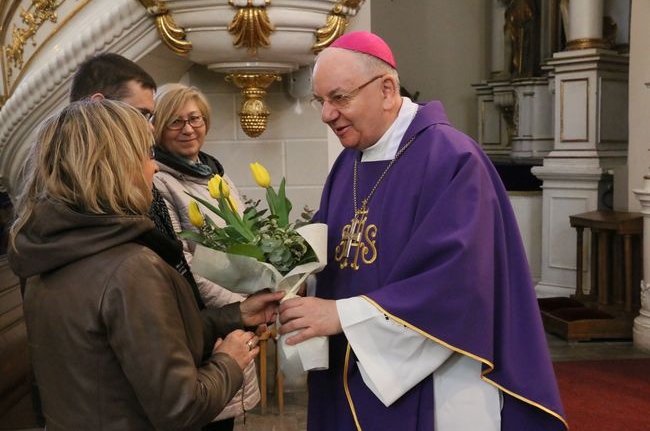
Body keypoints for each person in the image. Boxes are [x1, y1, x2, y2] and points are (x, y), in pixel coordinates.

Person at [278, 31, 568, 431]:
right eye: (320, 101)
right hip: (352, 368)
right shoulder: (349, 163)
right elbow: (334, 258)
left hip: (437, 379)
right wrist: (290, 288)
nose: (327, 114)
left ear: (385, 89)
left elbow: (458, 285)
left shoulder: (452, 158)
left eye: (339, 98)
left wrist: (342, 315)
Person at [7, 99, 281, 430]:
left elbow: (132, 347)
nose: (154, 167)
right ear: (116, 166)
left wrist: (236, 315)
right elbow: (181, 407)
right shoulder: (130, 267)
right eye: (147, 154)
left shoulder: (47, 249)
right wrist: (230, 361)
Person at [67, 53, 274, 430]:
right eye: (163, 120)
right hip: (185, 372)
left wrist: (244, 306)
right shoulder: (133, 231)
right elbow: (181, 281)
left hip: (205, 339)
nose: (154, 162)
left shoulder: (217, 176)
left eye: (194, 119)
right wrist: (235, 310)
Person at [152, 83, 260, 427]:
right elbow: (184, 263)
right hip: (205, 317)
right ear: (157, 127)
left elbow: (247, 242)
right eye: (175, 122)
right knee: (207, 410)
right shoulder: (160, 183)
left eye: (194, 119)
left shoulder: (215, 174)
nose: (188, 129)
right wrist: (240, 305)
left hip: (235, 314)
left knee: (226, 408)